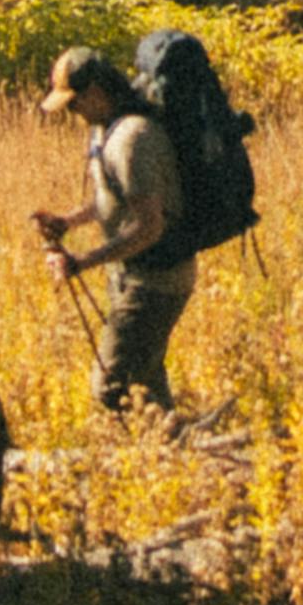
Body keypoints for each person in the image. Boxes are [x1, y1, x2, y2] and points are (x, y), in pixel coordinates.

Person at [31, 49, 191, 412]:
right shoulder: (107, 132)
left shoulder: (133, 139)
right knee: (145, 386)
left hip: (156, 282)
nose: (73, 114)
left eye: (74, 105)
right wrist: (67, 222)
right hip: (134, 277)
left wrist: (82, 262)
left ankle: (163, 452)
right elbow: (114, 201)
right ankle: (173, 451)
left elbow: (149, 226)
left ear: (96, 93)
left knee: (111, 385)